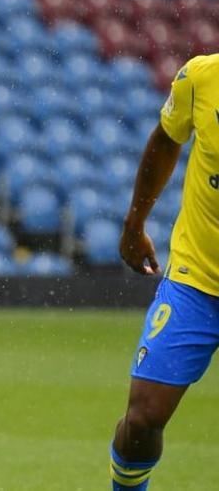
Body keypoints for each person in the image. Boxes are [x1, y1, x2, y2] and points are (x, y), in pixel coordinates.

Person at [109, 54, 219, 491]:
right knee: (142, 419)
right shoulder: (201, 77)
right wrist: (135, 224)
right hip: (196, 282)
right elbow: (166, 140)